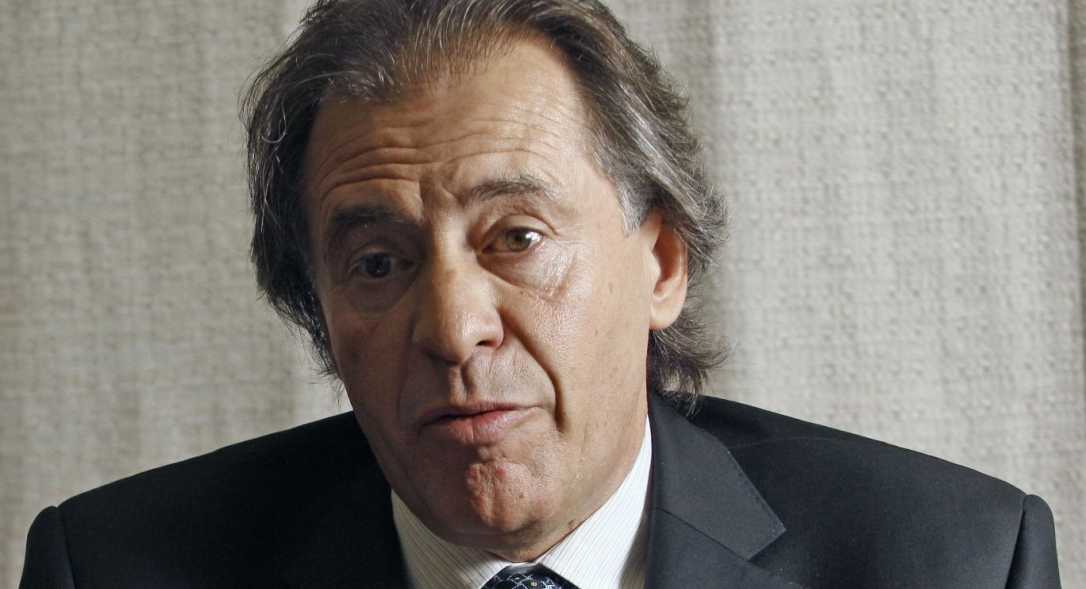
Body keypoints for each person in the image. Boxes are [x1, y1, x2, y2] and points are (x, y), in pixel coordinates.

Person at [19, 0, 1061, 587]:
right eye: (377, 262)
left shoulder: (956, 564)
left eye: (516, 238)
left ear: (661, 262)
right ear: (321, 316)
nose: (454, 327)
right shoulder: (110, 572)